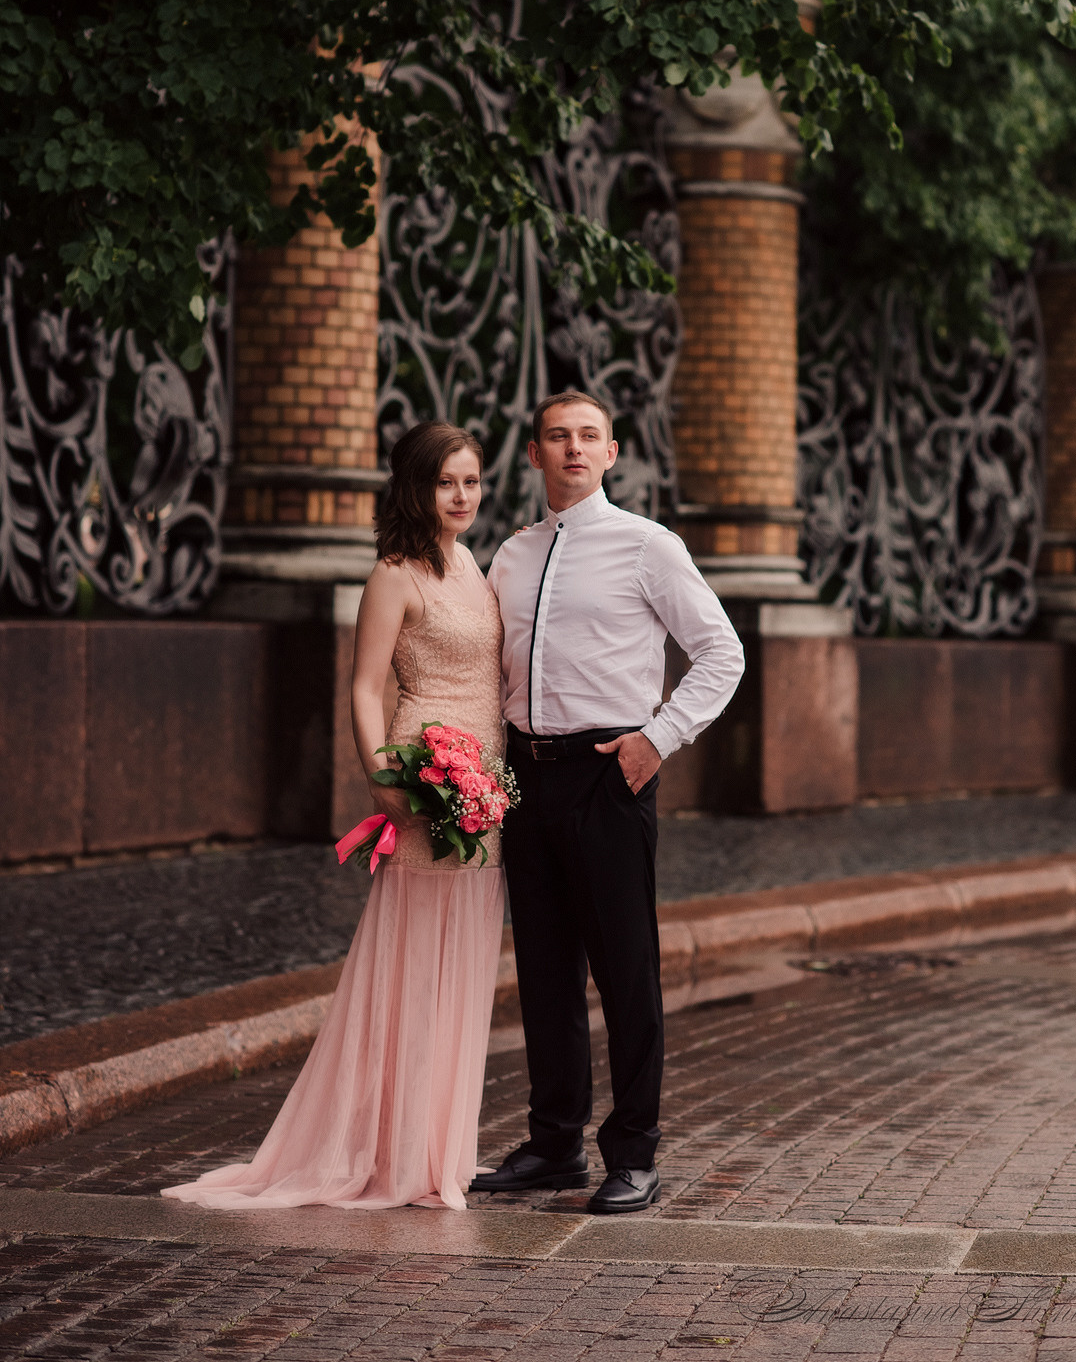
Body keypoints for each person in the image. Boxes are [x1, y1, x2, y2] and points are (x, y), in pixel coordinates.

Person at [163, 422, 504, 1212]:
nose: (462, 496)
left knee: (467, 964)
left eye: (472, 482)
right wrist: (385, 777)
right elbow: (362, 686)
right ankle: (395, 1156)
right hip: (428, 780)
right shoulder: (391, 574)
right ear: (414, 488)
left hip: (485, 791)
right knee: (415, 964)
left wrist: (486, 783)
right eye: (446, 482)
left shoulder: (470, 563)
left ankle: (438, 1154)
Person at [474, 391, 744, 1214]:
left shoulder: (647, 546)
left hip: (608, 773)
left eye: (589, 436)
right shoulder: (511, 556)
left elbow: (720, 653)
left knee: (627, 972)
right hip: (527, 776)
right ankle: (554, 1145)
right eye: (558, 436)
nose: (574, 449)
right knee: (546, 973)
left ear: (613, 452)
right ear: (534, 454)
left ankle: (633, 1152)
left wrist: (656, 740)